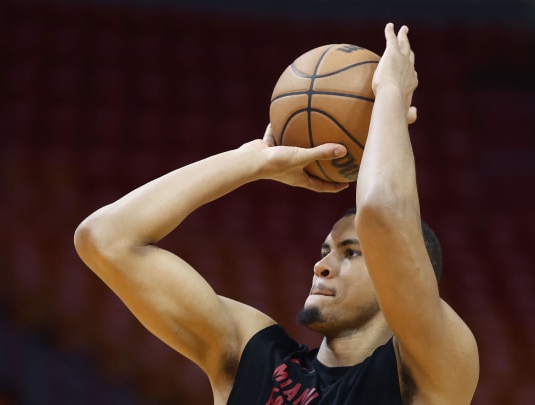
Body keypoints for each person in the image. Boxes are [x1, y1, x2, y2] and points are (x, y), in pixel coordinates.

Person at [74, 23, 479, 404]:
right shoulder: (255, 360)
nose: (321, 265)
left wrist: (390, 92)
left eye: (351, 252)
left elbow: (382, 214)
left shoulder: (431, 371)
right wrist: (249, 162)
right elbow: (105, 238)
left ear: (407, 273)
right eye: (326, 250)